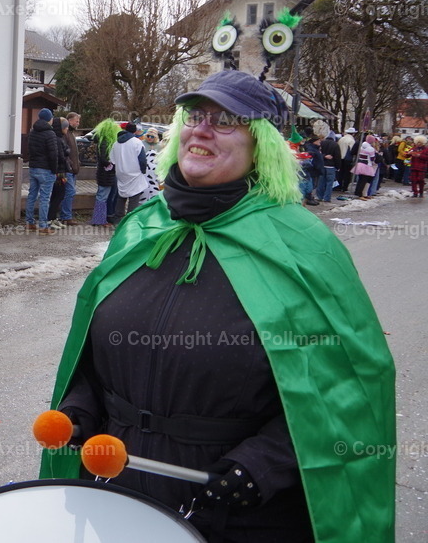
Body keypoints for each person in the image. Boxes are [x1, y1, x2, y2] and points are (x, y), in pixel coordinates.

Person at [40, 69, 395, 542]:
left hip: (236, 511)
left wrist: (263, 464)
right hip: (117, 494)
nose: (201, 129)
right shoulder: (144, 227)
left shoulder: (302, 246)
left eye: (226, 120)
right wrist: (79, 408)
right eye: (194, 115)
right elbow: (94, 349)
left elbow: (348, 389)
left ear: (262, 145)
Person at [26, 107, 59, 234]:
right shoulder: (50, 134)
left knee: (32, 195)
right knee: (45, 198)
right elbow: (53, 154)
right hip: (46, 169)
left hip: (34, 167)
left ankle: (29, 222)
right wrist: (54, 170)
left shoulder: (33, 132)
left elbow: (29, 150)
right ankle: (43, 225)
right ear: (49, 119)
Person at [109, 121, 147, 224]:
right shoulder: (137, 142)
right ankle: (130, 220)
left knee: (121, 195)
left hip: (121, 172)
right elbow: (142, 159)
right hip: (134, 173)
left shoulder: (116, 143)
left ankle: (118, 217)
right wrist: (143, 170)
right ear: (135, 131)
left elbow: (112, 159)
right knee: (134, 197)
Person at [90, 118, 119, 226]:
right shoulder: (106, 142)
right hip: (106, 174)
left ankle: (101, 218)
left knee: (104, 196)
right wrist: (111, 164)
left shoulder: (103, 141)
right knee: (102, 196)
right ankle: (99, 219)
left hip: (106, 174)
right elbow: (104, 159)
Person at [47, 116, 72, 229]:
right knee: (58, 195)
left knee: (58, 195)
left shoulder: (59, 138)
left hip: (61, 171)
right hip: (59, 172)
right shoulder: (57, 139)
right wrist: (67, 152)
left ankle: (53, 218)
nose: (67, 130)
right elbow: (61, 156)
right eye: (65, 128)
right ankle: (50, 219)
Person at [59, 112, 82, 225]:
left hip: (73, 168)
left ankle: (65, 216)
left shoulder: (71, 133)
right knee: (70, 192)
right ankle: (66, 216)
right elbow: (65, 152)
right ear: (69, 120)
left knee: (69, 192)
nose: (78, 123)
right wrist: (71, 164)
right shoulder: (66, 133)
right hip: (68, 169)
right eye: (76, 121)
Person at [319, 132, 340, 202]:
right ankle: (327, 198)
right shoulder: (335, 145)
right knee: (329, 183)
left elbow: (319, 154)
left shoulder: (322, 143)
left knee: (321, 182)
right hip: (331, 166)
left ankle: (319, 196)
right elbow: (337, 157)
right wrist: (338, 166)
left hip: (322, 165)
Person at [335, 127, 357, 192]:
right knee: (347, 174)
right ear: (353, 134)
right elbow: (352, 150)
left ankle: (338, 186)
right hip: (347, 159)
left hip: (340, 158)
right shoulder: (351, 140)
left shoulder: (341, 139)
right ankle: (345, 187)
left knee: (340, 173)